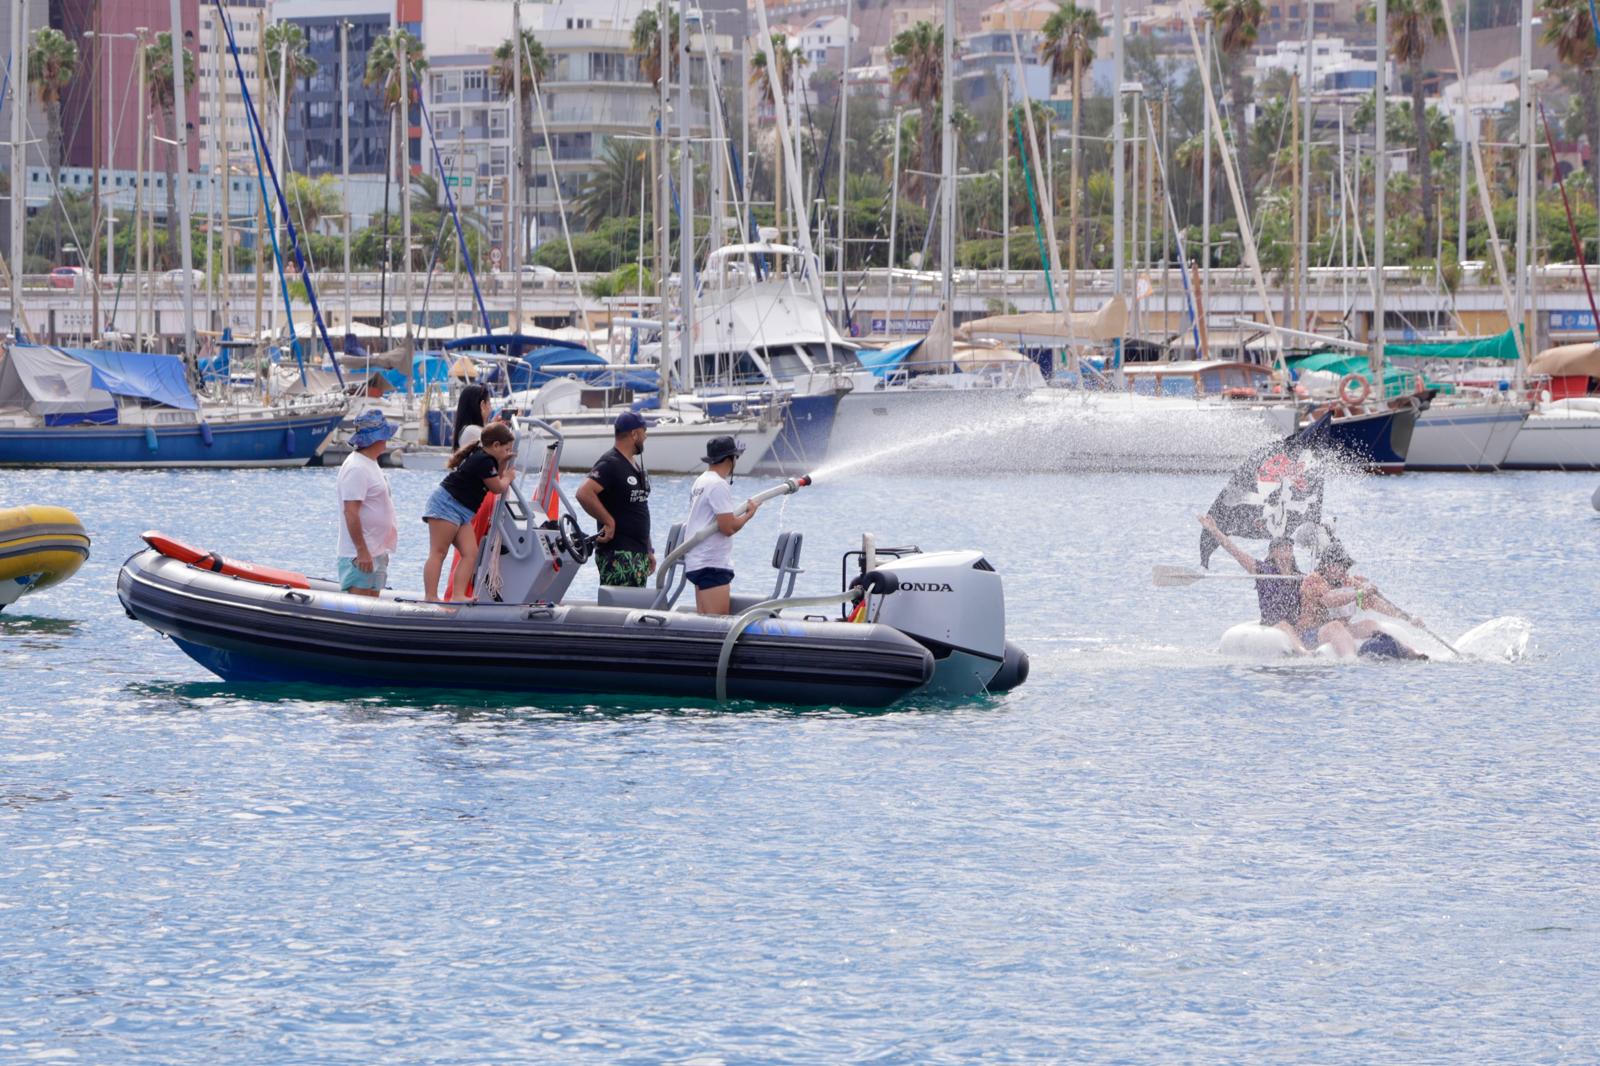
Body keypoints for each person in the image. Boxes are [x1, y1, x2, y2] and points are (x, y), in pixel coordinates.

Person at [422, 422, 518, 601]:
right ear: (495, 445)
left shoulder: (486, 458)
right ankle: (431, 596)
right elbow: (497, 487)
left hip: (462, 512)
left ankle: (458, 595)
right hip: (447, 505)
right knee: (438, 552)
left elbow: (494, 478)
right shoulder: (483, 460)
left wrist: (503, 462)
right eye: (506, 449)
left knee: (470, 553)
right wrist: (508, 477)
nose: (507, 453)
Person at [1297, 543, 1427, 659]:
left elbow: (1375, 603)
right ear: (1327, 565)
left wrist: (1407, 618)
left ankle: (1409, 652)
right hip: (1311, 634)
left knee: (1369, 624)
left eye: (1345, 566)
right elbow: (1329, 600)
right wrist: (1360, 593)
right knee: (1335, 626)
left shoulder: (1348, 582)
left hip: (1342, 630)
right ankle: (1350, 660)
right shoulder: (1313, 581)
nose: (1343, 570)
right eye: (1339, 565)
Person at [1198, 514, 1307, 651]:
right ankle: (1304, 653)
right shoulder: (1263, 571)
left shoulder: (1299, 577)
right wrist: (1214, 530)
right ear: (1273, 553)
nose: (1287, 549)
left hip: (1296, 623)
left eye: (1290, 547)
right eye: (1282, 547)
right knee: (1284, 625)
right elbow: (1236, 552)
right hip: (1274, 623)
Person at [682, 436, 761, 615]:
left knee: (704, 621)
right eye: (735, 458)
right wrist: (749, 515)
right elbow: (728, 528)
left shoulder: (701, 481)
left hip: (697, 561)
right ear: (729, 459)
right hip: (712, 563)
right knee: (716, 626)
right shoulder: (718, 484)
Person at [576, 410, 653, 587]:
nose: (646, 436)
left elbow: (639, 507)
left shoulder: (633, 464)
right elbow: (583, 492)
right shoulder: (610, 463)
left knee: (637, 609)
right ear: (634, 434)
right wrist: (608, 521)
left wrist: (648, 549)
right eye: (644, 431)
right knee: (621, 607)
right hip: (618, 555)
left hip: (638, 553)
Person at [337, 410, 398, 597]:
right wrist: (362, 551)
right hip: (360, 554)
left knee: (373, 604)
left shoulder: (371, 463)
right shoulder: (356, 467)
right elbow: (351, 512)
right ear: (376, 439)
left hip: (377, 551)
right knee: (359, 609)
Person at [453, 384, 492, 449]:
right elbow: (495, 454)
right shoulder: (472, 431)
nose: (491, 408)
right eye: (489, 403)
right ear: (482, 405)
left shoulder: (469, 430)